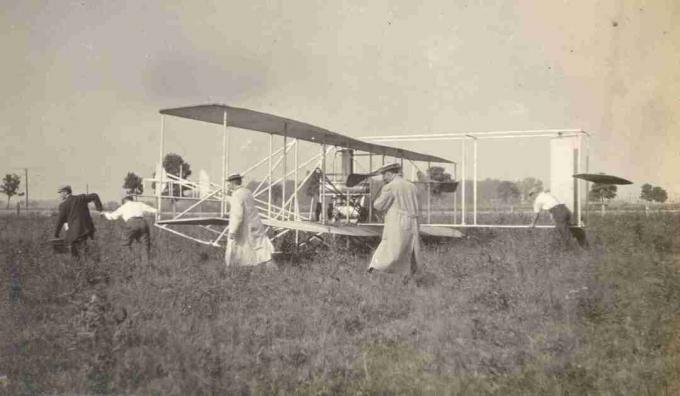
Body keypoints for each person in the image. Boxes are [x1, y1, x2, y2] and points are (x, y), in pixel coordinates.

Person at [367, 163, 422, 276]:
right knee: (409, 248)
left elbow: (379, 205)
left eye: (384, 175)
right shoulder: (412, 186)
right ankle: (410, 274)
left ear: (390, 173)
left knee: (390, 247)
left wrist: (375, 199)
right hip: (413, 222)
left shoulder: (390, 187)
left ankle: (376, 269)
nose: (383, 178)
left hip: (397, 221)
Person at [225, 174, 274, 267]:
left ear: (232, 183)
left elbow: (237, 215)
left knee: (236, 250)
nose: (228, 185)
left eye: (229, 183)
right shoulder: (247, 192)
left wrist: (232, 231)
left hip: (245, 227)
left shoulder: (236, 195)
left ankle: (231, 271)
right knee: (263, 251)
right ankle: (273, 272)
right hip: (255, 224)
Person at [102, 196, 157, 262]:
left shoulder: (124, 207)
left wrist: (104, 213)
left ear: (125, 201)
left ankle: (134, 261)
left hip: (131, 223)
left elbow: (112, 216)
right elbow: (154, 210)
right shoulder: (139, 204)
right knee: (145, 245)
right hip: (143, 223)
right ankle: (145, 264)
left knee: (125, 244)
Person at [54, 185, 104, 258]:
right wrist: (100, 210)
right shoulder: (80, 198)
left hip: (75, 232)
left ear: (65, 192)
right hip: (87, 229)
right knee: (85, 248)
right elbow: (95, 196)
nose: (60, 195)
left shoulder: (63, 205)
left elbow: (60, 221)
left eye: (60, 193)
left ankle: (79, 265)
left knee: (75, 253)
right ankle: (89, 262)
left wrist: (56, 234)